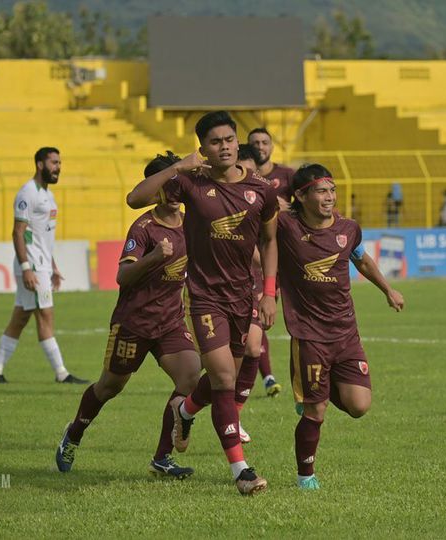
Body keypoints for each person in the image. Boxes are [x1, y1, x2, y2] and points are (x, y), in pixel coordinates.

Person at [127, 111, 278, 496]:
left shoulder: (261, 189)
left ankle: (185, 410)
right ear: (203, 149)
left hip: (243, 297)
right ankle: (241, 471)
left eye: (229, 139)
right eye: (215, 142)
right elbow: (135, 198)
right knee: (225, 379)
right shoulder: (190, 183)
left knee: (221, 376)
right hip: (205, 298)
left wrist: (269, 293)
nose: (224, 146)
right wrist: (179, 166)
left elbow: (269, 241)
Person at [55, 152, 201, 479]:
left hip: (171, 322)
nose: (178, 192)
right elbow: (123, 277)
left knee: (190, 377)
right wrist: (153, 258)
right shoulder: (145, 227)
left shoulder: (193, 224)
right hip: (134, 323)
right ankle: (73, 434)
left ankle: (162, 458)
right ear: (158, 188)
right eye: (172, 184)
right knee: (109, 387)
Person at [277, 164, 404, 490]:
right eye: (322, 191)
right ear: (301, 196)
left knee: (359, 406)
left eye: (332, 190)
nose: (329, 197)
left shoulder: (349, 228)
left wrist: (388, 289)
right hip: (309, 334)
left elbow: (360, 259)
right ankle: (306, 476)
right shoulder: (286, 226)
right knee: (316, 410)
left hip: (346, 332)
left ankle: (308, 389)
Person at [0, 147, 87, 384]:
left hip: (42, 264)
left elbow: (42, 236)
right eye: (53, 162)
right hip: (31, 265)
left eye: (60, 162)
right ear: (40, 164)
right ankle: (62, 373)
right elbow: (18, 233)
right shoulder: (27, 193)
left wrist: (53, 266)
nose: (58, 167)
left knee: (20, 318)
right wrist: (26, 267)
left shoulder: (48, 195)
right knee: (46, 316)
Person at [242, 137, 285, 397]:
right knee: (244, 344)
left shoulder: (268, 192)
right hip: (232, 276)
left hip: (262, 272)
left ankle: (265, 378)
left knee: (254, 337)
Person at [248, 127, 294, 211]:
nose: (260, 147)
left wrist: (289, 208)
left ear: (272, 148)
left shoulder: (287, 173)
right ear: (248, 147)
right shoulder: (242, 175)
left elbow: (303, 203)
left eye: (265, 143)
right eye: (255, 143)